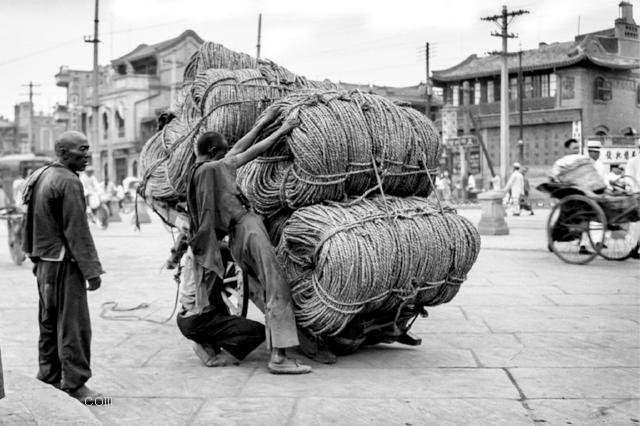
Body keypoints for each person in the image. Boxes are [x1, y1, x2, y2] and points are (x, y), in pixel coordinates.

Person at [186, 109, 311, 374]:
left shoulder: (201, 169)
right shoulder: (214, 168)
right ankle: (279, 358)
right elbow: (248, 154)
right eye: (221, 152)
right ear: (212, 151)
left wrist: (262, 122)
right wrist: (283, 129)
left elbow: (238, 150)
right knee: (276, 284)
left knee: (268, 283)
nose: (225, 155)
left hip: (236, 236)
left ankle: (265, 349)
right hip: (248, 229)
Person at [21, 131, 104, 402]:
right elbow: (77, 230)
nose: (87, 155)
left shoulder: (41, 174)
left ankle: (47, 377)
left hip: (44, 263)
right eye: (82, 149)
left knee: (48, 322)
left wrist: (34, 258)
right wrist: (91, 270)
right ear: (65, 153)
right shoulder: (68, 181)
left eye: (88, 149)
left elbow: (29, 223)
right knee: (73, 325)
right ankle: (76, 384)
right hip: (63, 265)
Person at [166, 223, 266, 367]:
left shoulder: (193, 248)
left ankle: (206, 341)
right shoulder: (216, 250)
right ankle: (212, 352)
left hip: (184, 317)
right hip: (198, 320)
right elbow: (244, 258)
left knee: (218, 311)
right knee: (258, 331)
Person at [625, 139, 640, 259]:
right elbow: (629, 179)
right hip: (636, 196)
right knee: (635, 225)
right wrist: (634, 193)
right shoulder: (633, 161)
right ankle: (632, 248)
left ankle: (637, 248)